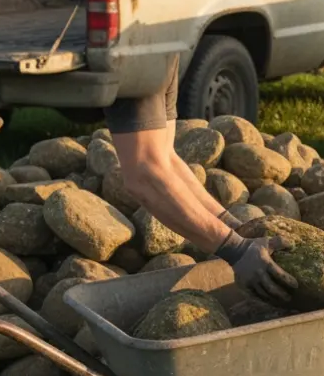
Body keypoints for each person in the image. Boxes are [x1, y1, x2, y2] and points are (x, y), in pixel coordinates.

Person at [103, 53, 297, 303]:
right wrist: (235, 248)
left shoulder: (156, 47)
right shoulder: (140, 48)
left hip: (152, 33)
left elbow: (164, 159)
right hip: (138, 32)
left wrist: (235, 229)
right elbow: (144, 174)